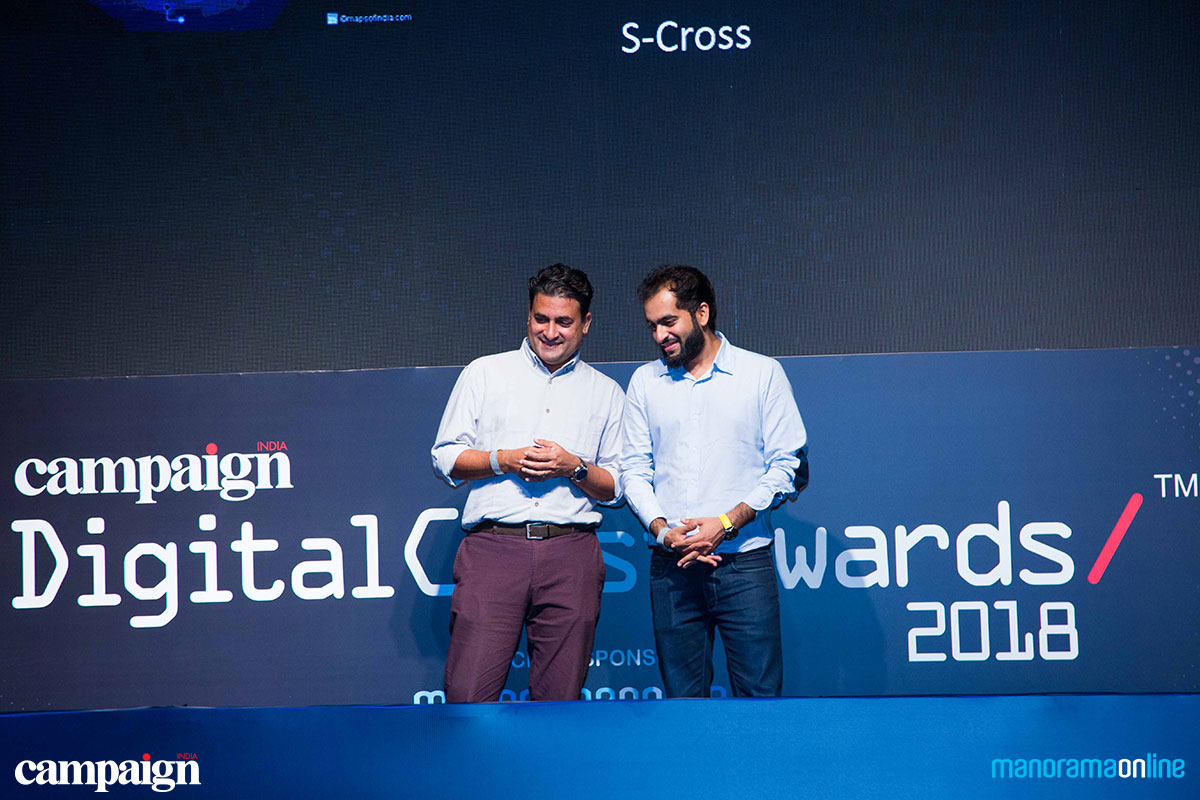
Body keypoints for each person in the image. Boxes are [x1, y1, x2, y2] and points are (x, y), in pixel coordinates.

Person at [431, 264, 624, 702]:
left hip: (571, 554)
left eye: (564, 322)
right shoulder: (484, 373)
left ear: (586, 324)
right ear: (528, 316)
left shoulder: (607, 392)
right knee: (468, 699)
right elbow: (444, 459)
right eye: (541, 318)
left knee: (560, 704)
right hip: (493, 549)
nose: (550, 332)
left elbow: (616, 488)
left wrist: (573, 467)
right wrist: (503, 460)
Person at [620, 265, 807, 698]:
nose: (660, 335)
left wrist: (725, 523)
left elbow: (789, 466)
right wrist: (663, 531)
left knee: (759, 701)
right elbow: (633, 471)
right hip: (672, 565)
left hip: (744, 565)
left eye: (669, 322)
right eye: (652, 326)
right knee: (683, 707)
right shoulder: (645, 383)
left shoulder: (761, 374)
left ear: (701, 313)